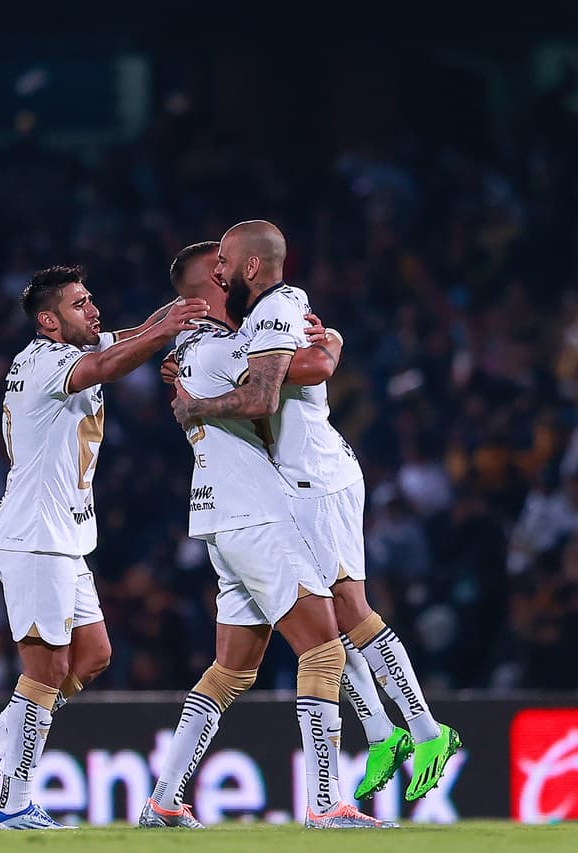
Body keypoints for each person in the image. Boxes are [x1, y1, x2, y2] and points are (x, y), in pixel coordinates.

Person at [174, 222, 460, 803]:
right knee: (325, 618)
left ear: (248, 268)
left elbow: (281, 382)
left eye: (227, 259)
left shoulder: (279, 306)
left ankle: (429, 731)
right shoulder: (247, 323)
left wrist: (326, 347)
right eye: (216, 264)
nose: (223, 269)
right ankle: (382, 732)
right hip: (293, 483)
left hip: (318, 479)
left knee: (349, 610)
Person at [0, 266, 209, 830]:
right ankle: (13, 802)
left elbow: (131, 335)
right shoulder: (45, 361)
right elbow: (108, 363)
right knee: (46, 668)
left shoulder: (76, 348)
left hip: (65, 536)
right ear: (49, 321)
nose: (94, 310)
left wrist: (187, 306)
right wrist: (163, 334)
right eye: (79, 304)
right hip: (35, 535)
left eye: (92, 299)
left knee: (93, 655)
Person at [147, 241, 391, 830]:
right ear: (206, 283)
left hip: (226, 517)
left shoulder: (193, 350)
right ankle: (326, 803)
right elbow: (285, 375)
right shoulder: (213, 349)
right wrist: (329, 343)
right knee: (325, 649)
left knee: (231, 671)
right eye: (221, 267)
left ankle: (164, 798)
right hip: (253, 517)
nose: (231, 273)